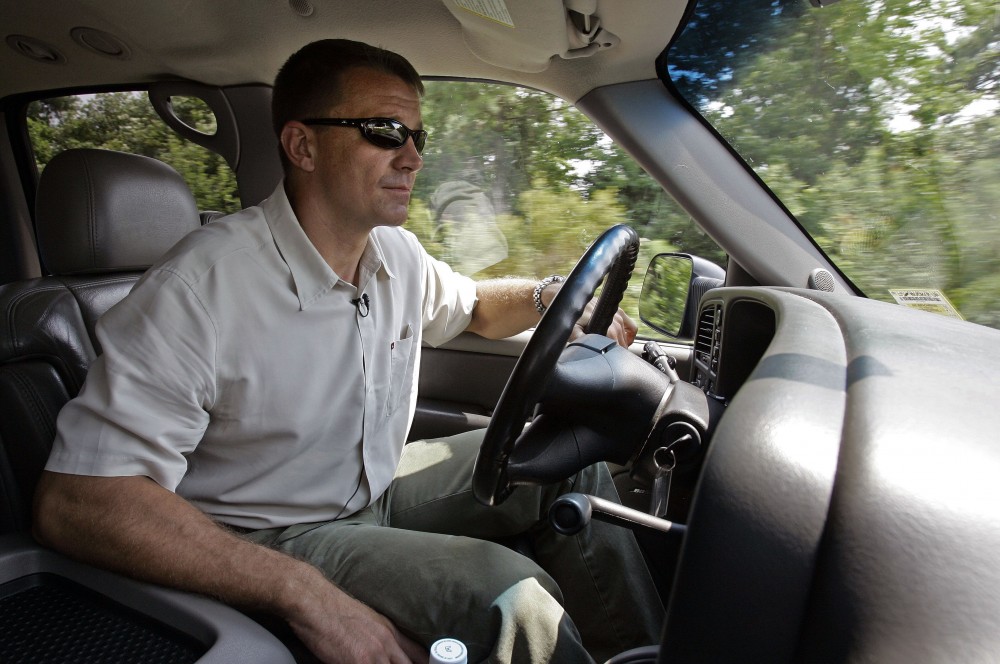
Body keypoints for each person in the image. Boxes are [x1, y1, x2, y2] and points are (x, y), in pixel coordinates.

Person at [33, 39, 664, 664]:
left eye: (420, 136)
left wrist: (549, 295)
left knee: (569, 455)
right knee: (510, 596)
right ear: (303, 145)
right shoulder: (200, 290)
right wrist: (297, 589)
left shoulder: (396, 254)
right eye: (386, 131)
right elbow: (80, 500)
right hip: (271, 532)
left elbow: (473, 307)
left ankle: (641, 651)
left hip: (376, 489)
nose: (413, 158)